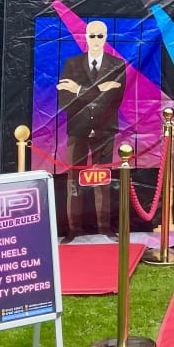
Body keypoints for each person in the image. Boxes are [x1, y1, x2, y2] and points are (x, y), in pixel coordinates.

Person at [56, 21, 126, 239]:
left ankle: (104, 227)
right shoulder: (71, 64)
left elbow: (113, 99)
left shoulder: (117, 65)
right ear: (86, 37)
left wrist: (78, 90)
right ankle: (73, 229)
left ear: (106, 37)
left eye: (100, 36)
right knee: (73, 179)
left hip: (105, 129)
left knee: (103, 178)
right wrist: (98, 91)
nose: (96, 40)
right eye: (92, 35)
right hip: (77, 129)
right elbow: (64, 101)